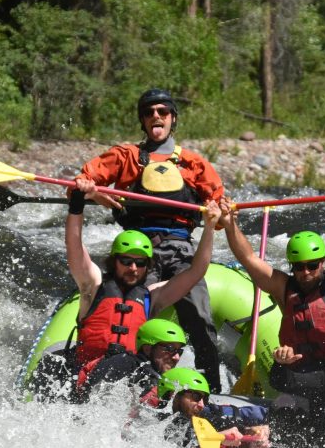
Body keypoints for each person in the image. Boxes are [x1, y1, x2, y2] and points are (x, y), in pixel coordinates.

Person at [70, 88, 225, 390]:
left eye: (163, 112)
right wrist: (94, 192)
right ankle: (129, 383)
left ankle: (210, 391)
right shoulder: (125, 157)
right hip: (140, 252)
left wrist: (220, 213)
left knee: (200, 318)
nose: (156, 116)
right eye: (150, 112)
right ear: (143, 120)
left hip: (181, 248)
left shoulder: (194, 164)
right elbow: (81, 182)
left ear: (172, 119)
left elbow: (219, 209)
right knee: (133, 311)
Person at [64, 185, 222, 381]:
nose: (133, 268)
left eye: (140, 263)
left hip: (123, 383)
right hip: (87, 377)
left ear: (147, 266)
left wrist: (209, 227)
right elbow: (74, 244)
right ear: (114, 261)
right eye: (126, 261)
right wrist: (77, 203)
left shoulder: (152, 297)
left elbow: (196, 271)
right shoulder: (93, 284)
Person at [223, 190, 325, 366]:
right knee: (279, 376)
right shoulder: (282, 287)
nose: (305, 272)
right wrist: (230, 226)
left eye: (312, 266)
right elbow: (248, 258)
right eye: (298, 266)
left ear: (322, 262)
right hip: (300, 373)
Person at [156, 367, 271, 448]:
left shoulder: (204, 413)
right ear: (173, 394)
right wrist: (219, 438)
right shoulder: (155, 423)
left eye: (204, 399)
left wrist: (250, 432)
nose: (201, 404)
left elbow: (228, 417)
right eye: (196, 396)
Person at [76, 317, 189, 404]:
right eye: (170, 349)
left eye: (179, 352)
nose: (176, 358)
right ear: (148, 348)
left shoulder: (155, 377)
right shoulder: (122, 364)